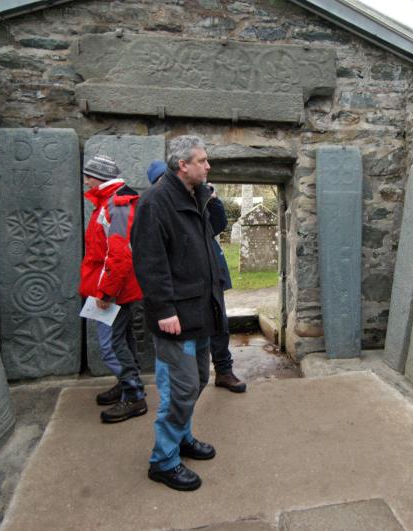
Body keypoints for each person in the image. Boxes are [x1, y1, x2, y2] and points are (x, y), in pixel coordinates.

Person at [131, 137, 226, 491]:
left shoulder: (197, 196)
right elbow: (149, 262)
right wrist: (164, 310)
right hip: (176, 318)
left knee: (198, 380)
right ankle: (164, 460)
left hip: (200, 311)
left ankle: (182, 437)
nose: (208, 166)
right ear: (182, 165)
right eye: (202, 160)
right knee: (178, 390)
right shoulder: (156, 202)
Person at [146, 160, 247, 393]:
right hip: (182, 284)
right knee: (186, 343)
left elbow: (217, 225)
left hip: (210, 272)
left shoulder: (196, 197)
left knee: (219, 323)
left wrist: (213, 200)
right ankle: (185, 385)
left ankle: (224, 370)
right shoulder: (158, 206)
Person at [80, 155, 147, 423]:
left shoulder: (116, 204)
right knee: (123, 339)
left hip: (114, 289)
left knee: (112, 345)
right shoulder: (109, 202)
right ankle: (126, 384)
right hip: (113, 285)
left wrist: (106, 292)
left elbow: (119, 254)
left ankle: (134, 395)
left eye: (89, 176)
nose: (86, 181)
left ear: (101, 177)